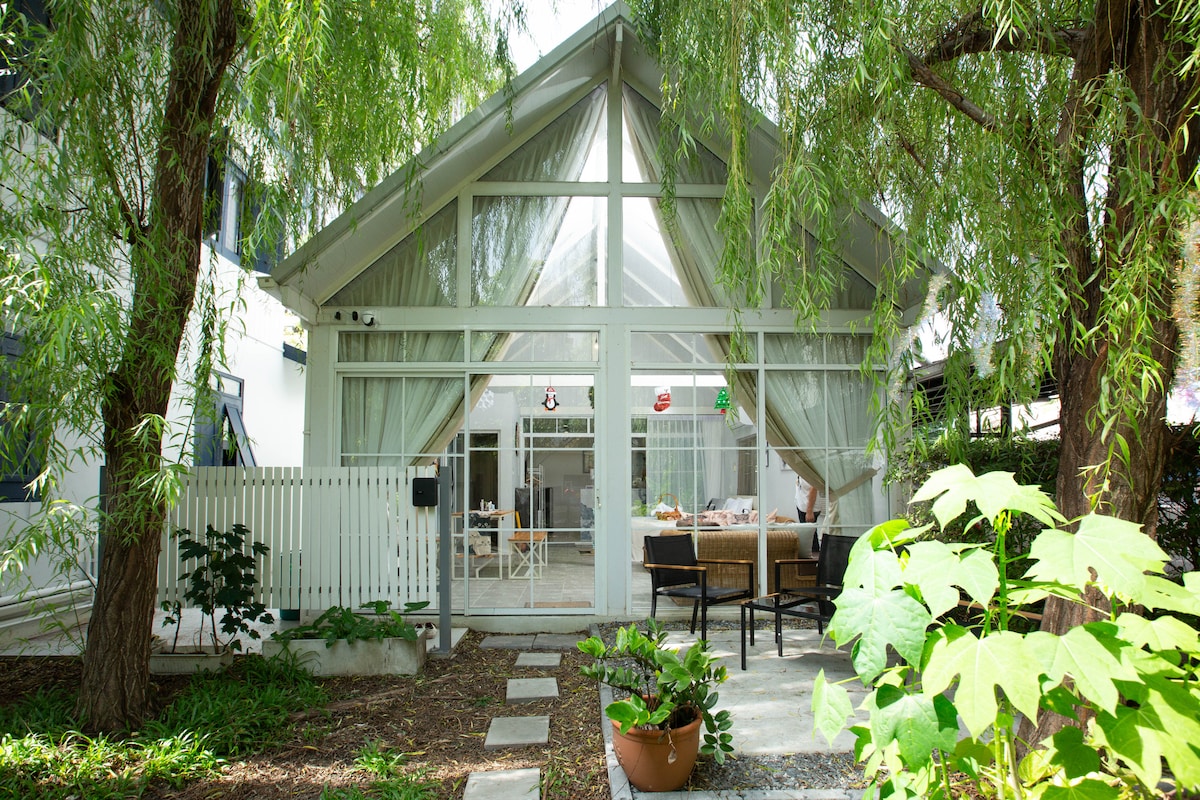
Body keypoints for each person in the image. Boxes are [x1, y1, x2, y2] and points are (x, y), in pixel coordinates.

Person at [795, 475, 826, 552]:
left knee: (810, 537)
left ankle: (813, 555)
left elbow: (814, 489)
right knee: (807, 535)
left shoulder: (811, 474)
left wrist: (809, 511)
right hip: (802, 506)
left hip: (809, 508)